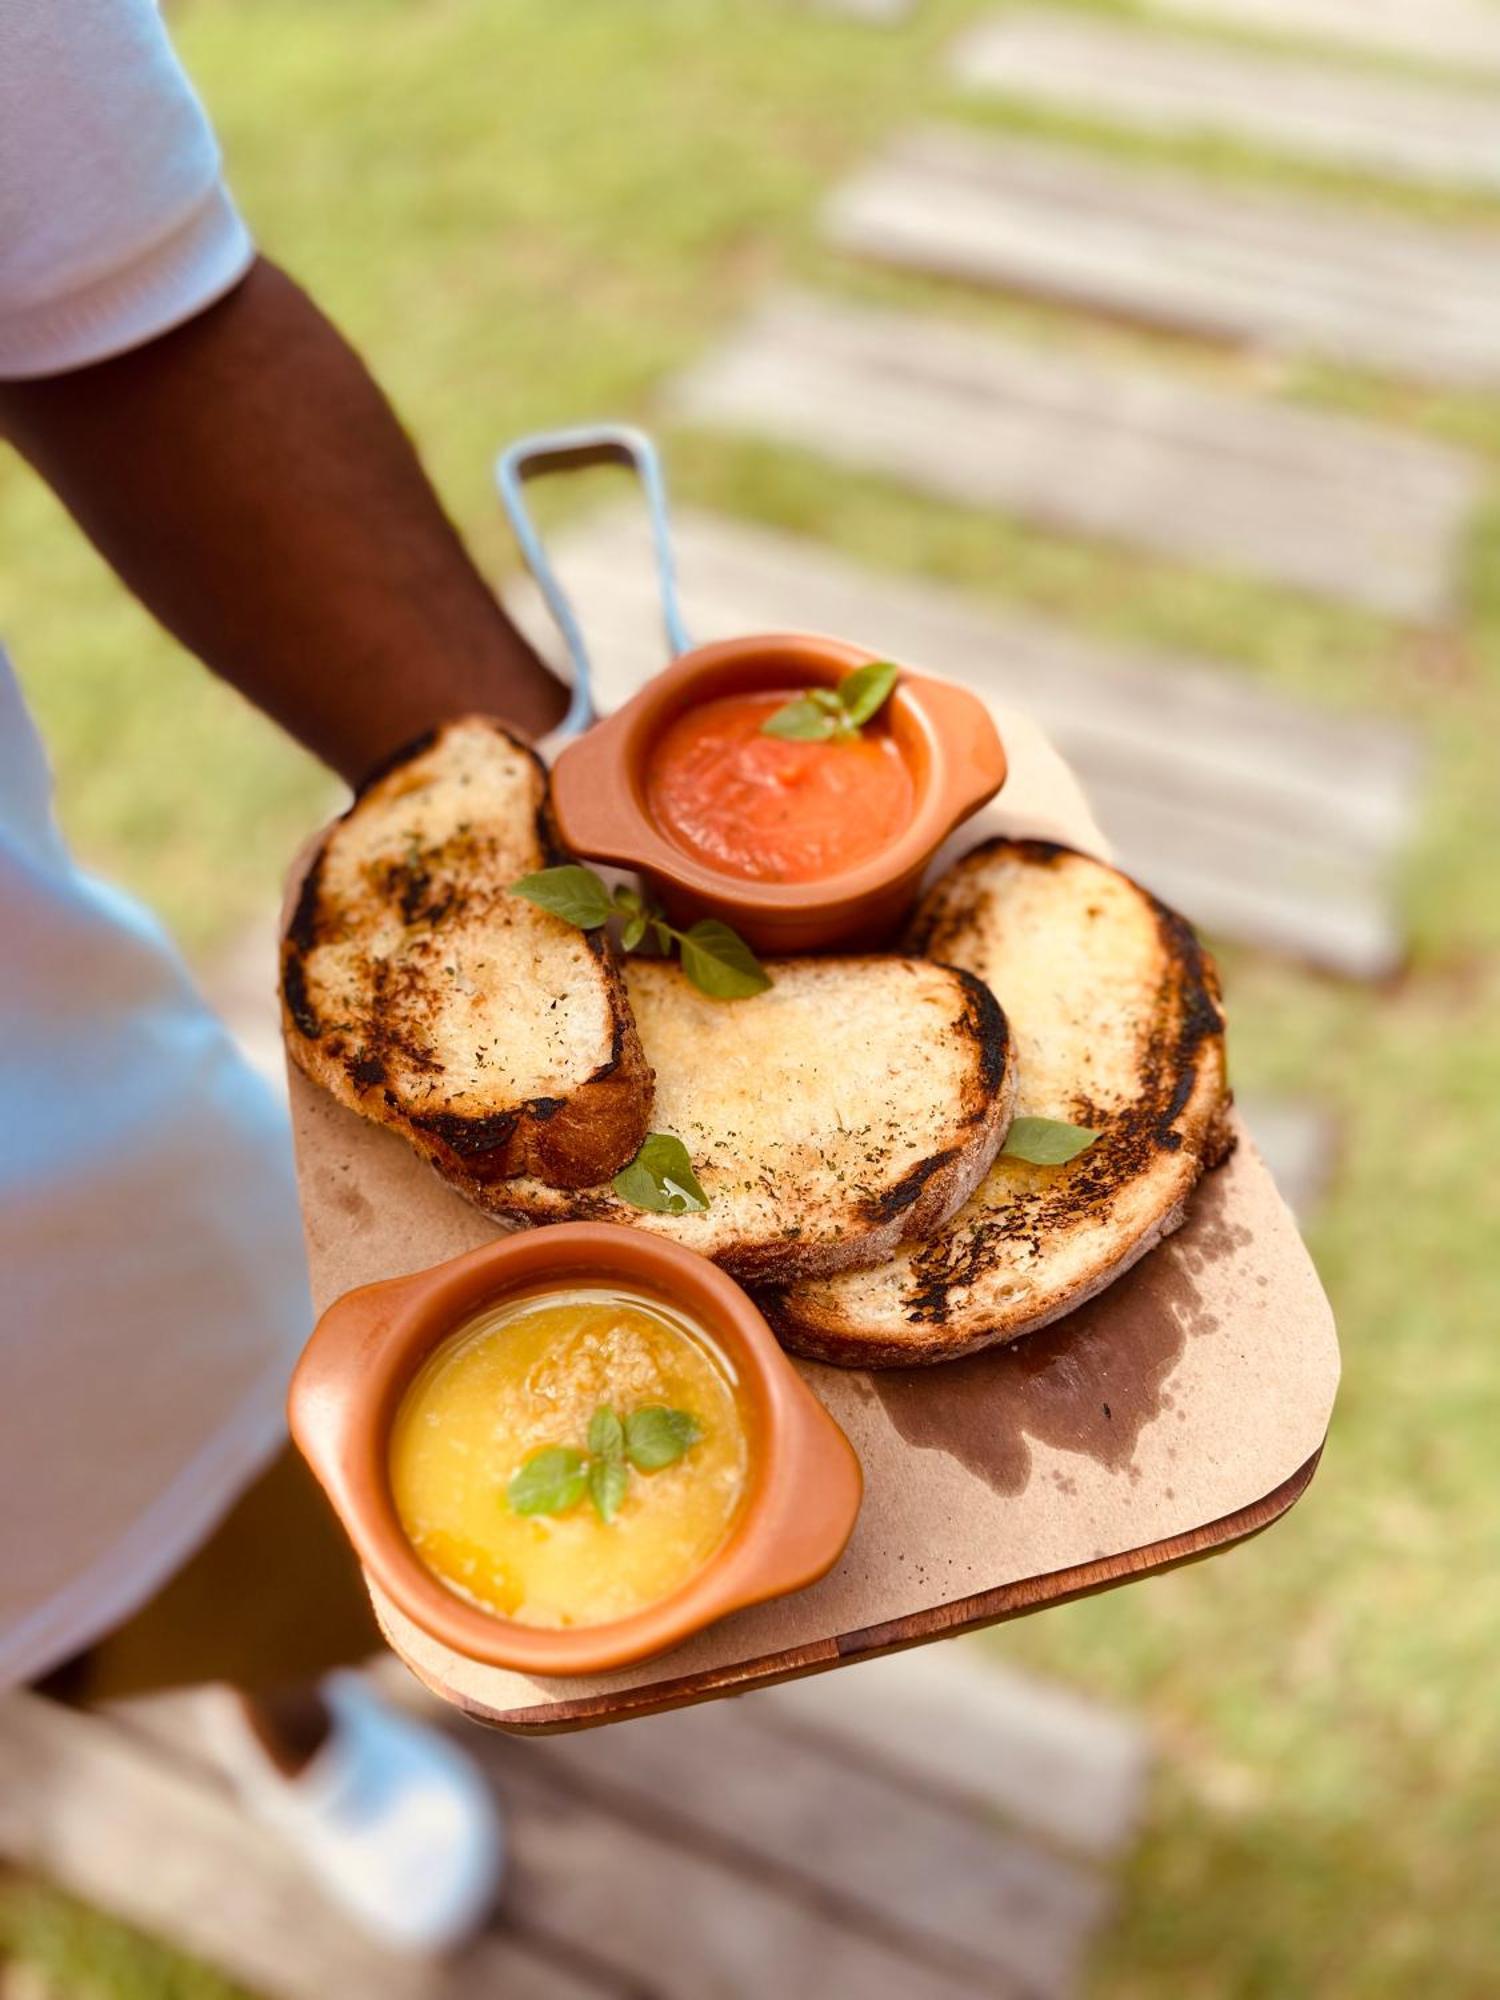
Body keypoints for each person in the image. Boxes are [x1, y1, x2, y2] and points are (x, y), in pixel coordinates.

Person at [0, 0, 569, 1949]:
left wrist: (570, 844)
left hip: (27, 1144)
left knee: (199, 1452)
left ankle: (288, 1718)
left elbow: (133, 317)